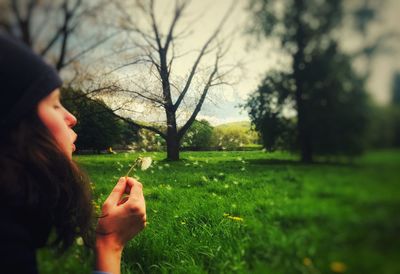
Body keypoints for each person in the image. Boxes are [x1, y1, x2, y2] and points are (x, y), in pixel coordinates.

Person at [0, 34, 146, 274]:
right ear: (15, 123)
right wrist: (110, 244)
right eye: (55, 104)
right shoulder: (6, 243)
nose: (72, 118)